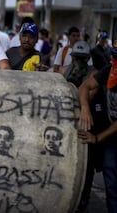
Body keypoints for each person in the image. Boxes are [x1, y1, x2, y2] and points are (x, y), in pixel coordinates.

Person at [78, 43, 117, 213]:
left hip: (111, 132)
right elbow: (85, 87)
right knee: (112, 183)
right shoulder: (109, 70)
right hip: (112, 136)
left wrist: (97, 138)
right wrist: (85, 107)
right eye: (114, 56)